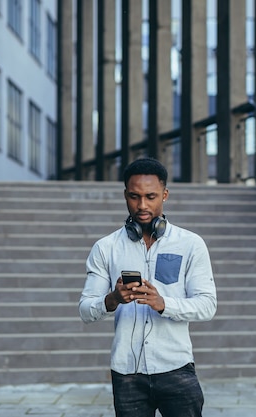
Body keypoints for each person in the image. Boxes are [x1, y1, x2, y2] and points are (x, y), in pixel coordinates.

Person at [79, 157, 217, 417]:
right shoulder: (106, 248)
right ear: (125, 195)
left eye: (151, 196)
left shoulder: (191, 244)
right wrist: (112, 299)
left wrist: (164, 304)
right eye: (134, 196)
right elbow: (85, 310)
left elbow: (208, 305)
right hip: (127, 373)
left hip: (176, 367)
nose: (142, 205)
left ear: (165, 194)